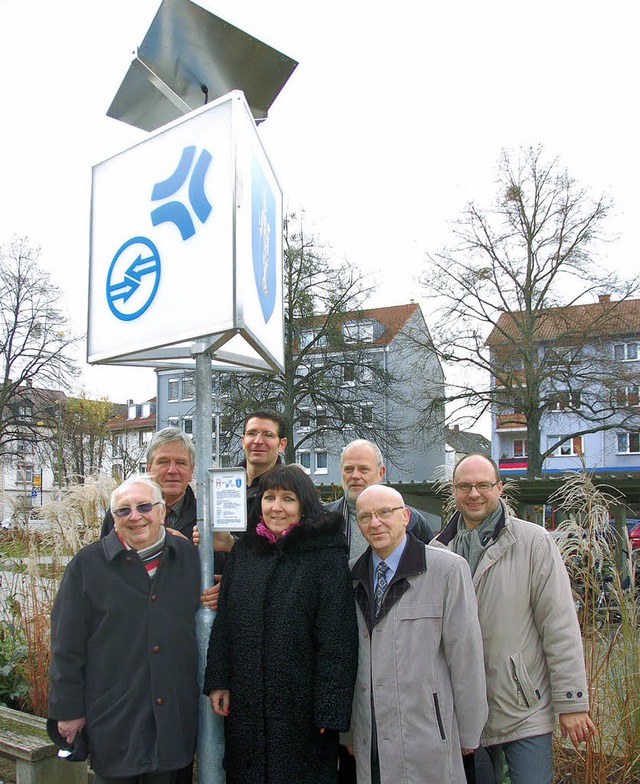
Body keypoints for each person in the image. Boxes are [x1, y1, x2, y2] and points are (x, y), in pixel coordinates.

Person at [435, 453, 597, 784]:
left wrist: (572, 701)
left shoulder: (532, 541)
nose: (474, 494)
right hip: (465, 713)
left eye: (483, 485)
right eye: (465, 486)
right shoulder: (438, 550)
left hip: (524, 708)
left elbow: (559, 624)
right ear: (453, 490)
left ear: (500, 487)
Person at [203, 464, 359, 783]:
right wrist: (219, 679)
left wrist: (329, 707)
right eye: (269, 497)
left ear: (304, 505)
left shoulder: (325, 555)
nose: (276, 507)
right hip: (246, 702)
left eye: (288, 498)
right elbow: (225, 625)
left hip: (302, 710)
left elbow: (338, 640)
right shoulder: (245, 552)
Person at [48, 475, 201, 784]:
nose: (135, 516)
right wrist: (68, 709)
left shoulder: (189, 558)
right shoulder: (87, 566)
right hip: (115, 716)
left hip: (172, 717)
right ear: (113, 518)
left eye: (144, 506)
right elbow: (67, 644)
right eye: (124, 510)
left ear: (162, 512)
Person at [348, 484, 488, 783]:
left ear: (405, 516)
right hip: (369, 732)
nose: (375, 523)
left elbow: (466, 655)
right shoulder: (351, 576)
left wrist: (470, 729)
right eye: (365, 516)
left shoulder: (446, 569)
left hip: (427, 730)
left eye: (385, 513)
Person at [325, 439, 435, 559]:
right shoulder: (322, 520)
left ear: (381, 473)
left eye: (363, 469)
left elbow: (430, 566)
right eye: (348, 469)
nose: (355, 476)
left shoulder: (411, 521)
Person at [100, 427, 198, 541]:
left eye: (181, 463)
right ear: (149, 467)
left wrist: (186, 549)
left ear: (191, 471)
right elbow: (104, 556)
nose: (172, 470)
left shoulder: (205, 519)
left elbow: (217, 558)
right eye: (163, 462)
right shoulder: (122, 512)